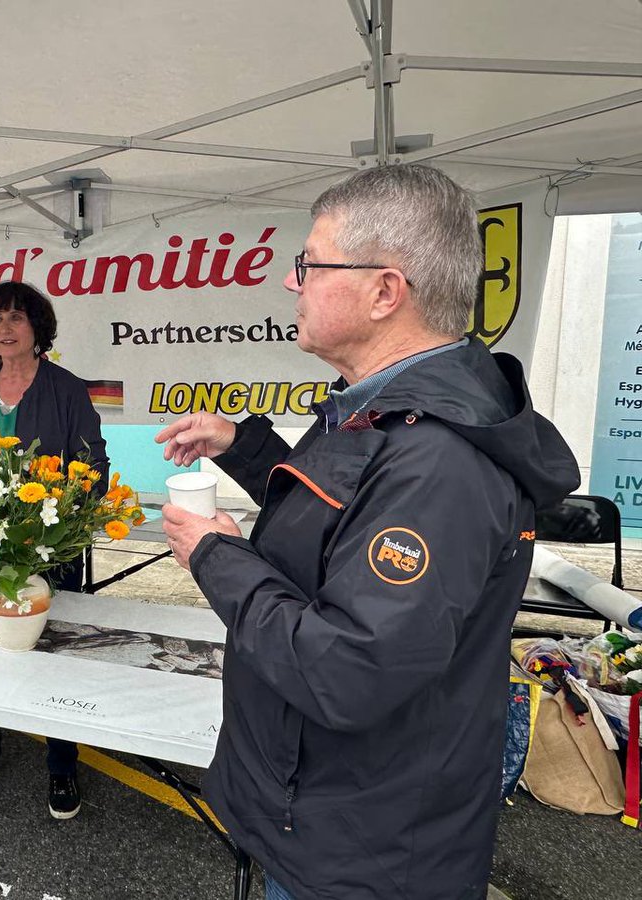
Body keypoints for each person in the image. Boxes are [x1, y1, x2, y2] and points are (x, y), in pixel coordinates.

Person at [157, 164, 579, 900]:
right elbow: (339, 527)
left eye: (310, 265)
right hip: (334, 815)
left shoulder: (439, 460)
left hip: (365, 850)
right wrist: (245, 448)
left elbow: (348, 670)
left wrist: (215, 556)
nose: (294, 283)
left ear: (386, 291)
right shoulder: (394, 410)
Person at [0, 280, 109, 819]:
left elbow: (94, 466)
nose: (5, 329)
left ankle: (61, 763)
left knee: (54, 653)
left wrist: (58, 517)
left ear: (38, 329)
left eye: (16, 318)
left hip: (49, 549)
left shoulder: (67, 389)